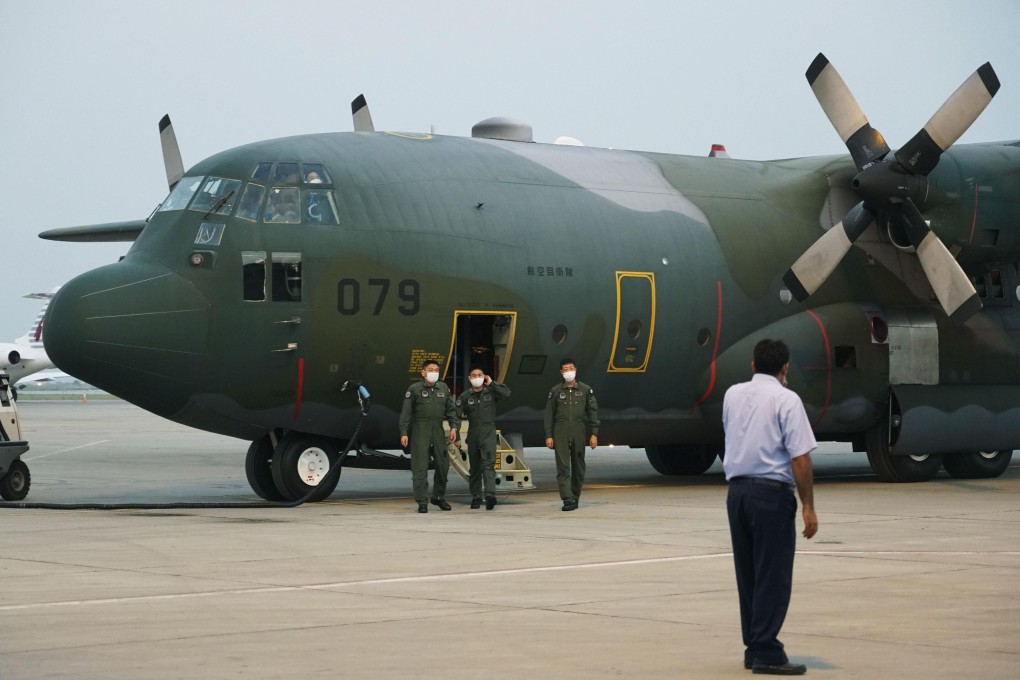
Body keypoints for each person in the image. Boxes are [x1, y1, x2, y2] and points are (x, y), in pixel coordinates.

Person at [722, 339, 818, 676]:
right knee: (773, 576)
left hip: (737, 495)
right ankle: (765, 650)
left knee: (748, 575)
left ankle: (753, 646)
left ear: (752, 365)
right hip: (770, 496)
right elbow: (801, 458)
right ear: (785, 368)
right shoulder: (786, 399)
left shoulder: (732, 395)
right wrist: (808, 506)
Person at [399, 360, 459, 513]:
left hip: (438, 430)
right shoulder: (414, 389)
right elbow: (406, 413)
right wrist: (404, 432)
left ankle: (438, 497)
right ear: (423, 372)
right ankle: (422, 501)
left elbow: (451, 410)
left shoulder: (443, 388)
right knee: (420, 467)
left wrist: (454, 427)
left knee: (443, 465)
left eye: (437, 370)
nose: (434, 373)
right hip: (421, 429)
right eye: (431, 370)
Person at [544, 358, 599, 511]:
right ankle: (567, 499)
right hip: (560, 431)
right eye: (565, 369)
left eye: (571, 368)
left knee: (579, 466)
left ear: (576, 369)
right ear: (561, 372)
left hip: (579, 430)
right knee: (563, 467)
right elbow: (549, 415)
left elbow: (592, 413)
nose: (568, 372)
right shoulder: (555, 391)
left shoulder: (585, 390)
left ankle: (575, 496)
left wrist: (594, 433)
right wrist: (549, 435)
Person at [456, 367, 511, 510]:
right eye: (474, 375)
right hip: (473, 432)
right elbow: (455, 415)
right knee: (474, 467)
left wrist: (492, 383)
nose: (477, 377)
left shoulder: (491, 392)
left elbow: (507, 393)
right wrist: (455, 434)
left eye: (480, 375)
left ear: (484, 376)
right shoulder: (465, 397)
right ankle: (476, 496)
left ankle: (490, 495)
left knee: (488, 465)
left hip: (488, 432)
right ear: (469, 378)